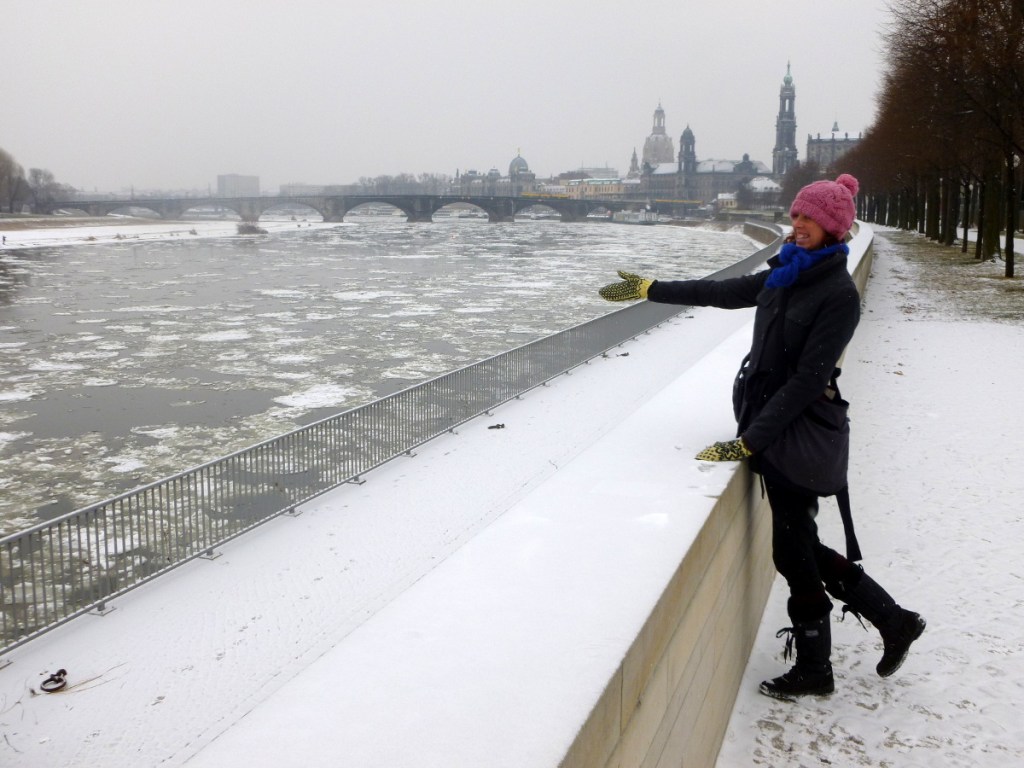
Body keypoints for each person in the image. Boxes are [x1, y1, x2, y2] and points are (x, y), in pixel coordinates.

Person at [598, 174, 925, 700]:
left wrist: (751, 440)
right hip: (768, 427)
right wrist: (650, 289)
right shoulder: (784, 273)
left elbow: (807, 381)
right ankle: (892, 621)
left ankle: (821, 665)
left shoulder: (838, 295)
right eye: (796, 215)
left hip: (793, 434)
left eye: (809, 218)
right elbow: (721, 292)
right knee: (799, 544)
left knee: (793, 551)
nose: (798, 225)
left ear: (834, 228)